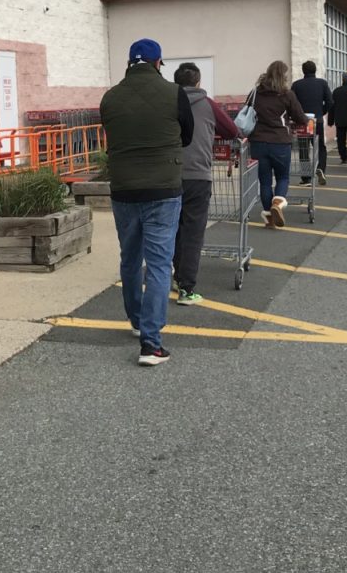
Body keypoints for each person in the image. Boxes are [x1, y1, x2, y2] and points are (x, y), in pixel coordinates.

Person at [100, 38, 193, 366]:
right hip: (163, 190)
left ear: (129, 63)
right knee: (158, 264)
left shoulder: (110, 98)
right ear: (158, 63)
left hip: (124, 189)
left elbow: (114, 135)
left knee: (130, 258)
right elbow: (188, 136)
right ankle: (151, 344)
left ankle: (138, 322)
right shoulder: (174, 93)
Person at [171, 62, 240, 306]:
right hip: (198, 175)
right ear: (198, 82)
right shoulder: (207, 104)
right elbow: (232, 131)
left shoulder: (167, 103)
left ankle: (177, 276)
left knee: (175, 229)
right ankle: (187, 288)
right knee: (193, 232)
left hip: (170, 175)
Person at [247, 60, 308, 228]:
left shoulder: (255, 94)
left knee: (265, 182)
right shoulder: (287, 95)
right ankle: (277, 204)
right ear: (283, 77)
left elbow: (246, 112)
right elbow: (301, 118)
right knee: (283, 177)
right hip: (280, 142)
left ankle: (270, 218)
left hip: (258, 142)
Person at [290, 60, 333, 185]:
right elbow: (330, 102)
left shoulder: (296, 85)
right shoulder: (322, 83)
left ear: (303, 71)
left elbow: (292, 104)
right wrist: (321, 113)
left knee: (303, 148)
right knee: (320, 147)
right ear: (315, 70)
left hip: (302, 122)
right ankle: (321, 169)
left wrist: (296, 116)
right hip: (316, 121)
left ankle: (306, 177)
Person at [328, 72, 347, 164]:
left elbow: (332, 107)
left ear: (342, 80)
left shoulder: (336, 91)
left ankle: (343, 157)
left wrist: (330, 120)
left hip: (340, 120)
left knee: (340, 140)